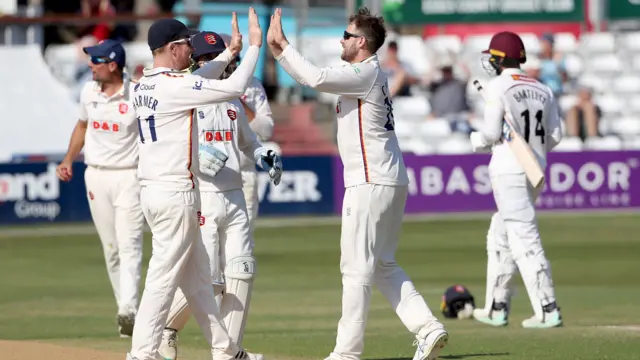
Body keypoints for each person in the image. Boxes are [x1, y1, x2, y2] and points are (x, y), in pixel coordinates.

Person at [266, 7, 448, 360]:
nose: (341, 39)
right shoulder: (365, 74)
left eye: (347, 35)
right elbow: (312, 78)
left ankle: (346, 353)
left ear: (361, 42)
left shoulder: (363, 72)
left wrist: (285, 45)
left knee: (355, 268)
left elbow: (316, 78)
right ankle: (428, 328)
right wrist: (278, 52)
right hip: (389, 179)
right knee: (383, 265)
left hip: (370, 181)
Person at [126, 10, 272, 360]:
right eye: (186, 46)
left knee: (199, 282)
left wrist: (229, 53)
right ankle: (142, 353)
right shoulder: (175, 87)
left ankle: (226, 350)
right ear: (173, 48)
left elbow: (200, 79)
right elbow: (234, 87)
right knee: (163, 279)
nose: (191, 52)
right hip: (176, 194)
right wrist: (254, 46)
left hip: (156, 191)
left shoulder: (143, 85)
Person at [158, 30, 283, 360]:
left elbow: (250, 142)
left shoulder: (231, 103)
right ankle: (165, 328)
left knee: (242, 271)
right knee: (210, 282)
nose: (223, 65)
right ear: (199, 62)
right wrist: (197, 159)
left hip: (236, 195)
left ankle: (229, 353)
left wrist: (264, 155)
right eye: (212, 59)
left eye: (223, 58)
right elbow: (168, 147)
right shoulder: (185, 99)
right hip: (204, 198)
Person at [468, 31, 564, 329]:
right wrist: (532, 149)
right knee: (500, 234)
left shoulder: (497, 86)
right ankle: (497, 307)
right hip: (535, 168)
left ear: (498, 59)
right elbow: (556, 135)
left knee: (523, 236)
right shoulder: (543, 89)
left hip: (508, 170)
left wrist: (476, 141)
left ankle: (548, 308)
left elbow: (491, 134)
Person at [56, 39, 144, 339]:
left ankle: (130, 309)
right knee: (112, 249)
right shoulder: (88, 92)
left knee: (130, 244)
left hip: (130, 177)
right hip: (96, 176)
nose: (91, 65)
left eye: (96, 60)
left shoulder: (136, 95)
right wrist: (69, 158)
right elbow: (82, 126)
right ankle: (125, 313)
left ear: (113, 65)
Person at [215, 33, 276, 236]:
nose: (232, 65)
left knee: (243, 243)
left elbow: (266, 129)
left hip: (244, 172)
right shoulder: (205, 84)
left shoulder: (252, 86)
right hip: (212, 175)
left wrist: (239, 102)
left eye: (235, 59)